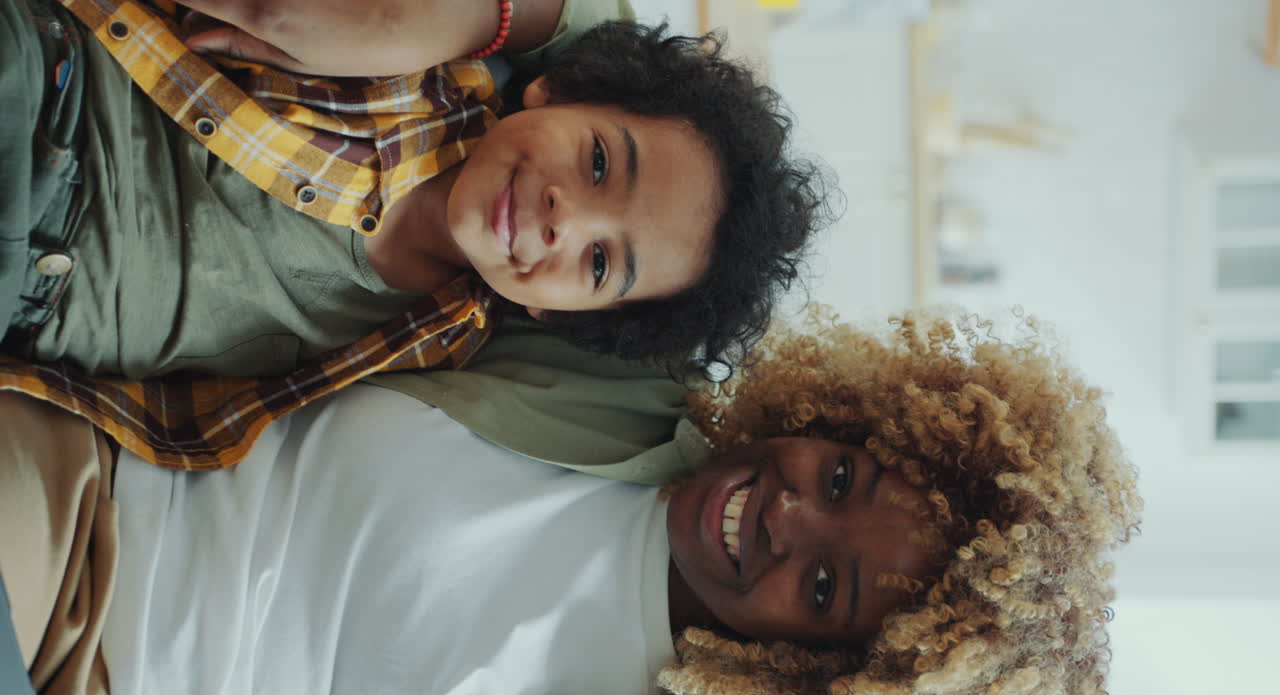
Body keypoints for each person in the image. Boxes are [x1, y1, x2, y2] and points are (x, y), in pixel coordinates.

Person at [0, 309, 1141, 695]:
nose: (788, 515)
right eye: (842, 479)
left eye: (824, 586)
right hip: (81, 507)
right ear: (854, 418)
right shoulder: (624, 372)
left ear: (827, 678)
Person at [0, 0, 827, 470]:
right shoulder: (415, 65)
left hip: (30, 306)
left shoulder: (434, 349)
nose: (565, 216)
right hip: (46, 97)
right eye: (601, 162)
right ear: (557, 92)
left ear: (562, 316)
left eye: (602, 262)